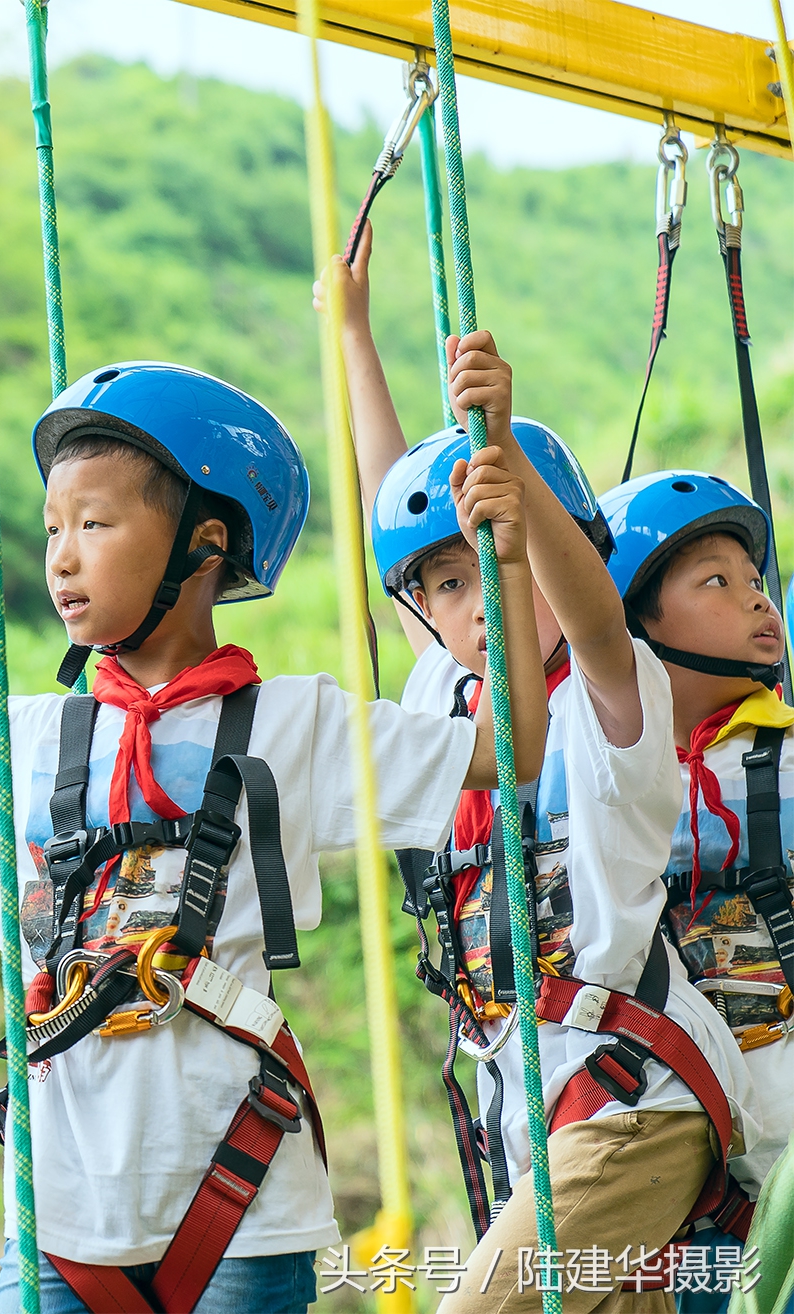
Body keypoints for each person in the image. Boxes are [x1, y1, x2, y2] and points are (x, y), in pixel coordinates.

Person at [0, 354, 549, 1313]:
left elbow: (513, 748)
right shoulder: (25, 739)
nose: (62, 556)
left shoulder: (298, 726)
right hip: (58, 1226)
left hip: (241, 1215)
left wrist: (515, 564)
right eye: (52, 530)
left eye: (95, 523)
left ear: (206, 543)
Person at [323, 230, 756, 1313]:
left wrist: (507, 464)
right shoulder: (442, 708)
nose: (471, 604)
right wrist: (348, 338)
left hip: (635, 1105)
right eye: (446, 587)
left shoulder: (607, 703)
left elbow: (596, 623)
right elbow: (396, 517)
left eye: (491, 570)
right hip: (530, 1114)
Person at [597, 471, 791, 1311]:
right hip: (679, 1155)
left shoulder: (784, 761)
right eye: (717, 582)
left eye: (755, 582)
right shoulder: (593, 783)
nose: (756, 601)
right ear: (632, 623)